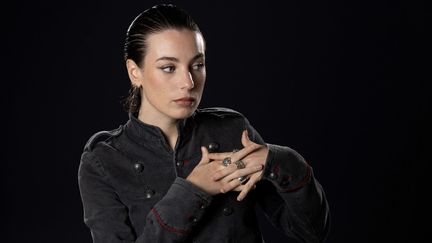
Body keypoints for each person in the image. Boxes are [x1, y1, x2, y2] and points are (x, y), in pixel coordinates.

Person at [78, 4, 330, 243]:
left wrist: (281, 160)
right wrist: (193, 189)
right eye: (168, 68)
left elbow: (311, 232)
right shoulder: (103, 162)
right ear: (135, 72)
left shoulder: (231, 129)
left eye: (197, 65)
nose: (188, 82)